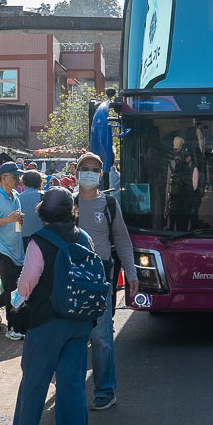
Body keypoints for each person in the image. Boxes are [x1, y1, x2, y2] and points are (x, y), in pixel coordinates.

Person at [6, 188, 98, 425]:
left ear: (42, 211)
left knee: (35, 379)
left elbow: (28, 282)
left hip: (47, 320)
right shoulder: (85, 237)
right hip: (81, 320)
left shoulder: (40, 240)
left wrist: (16, 302)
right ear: (72, 210)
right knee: (72, 383)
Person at [73, 151, 138, 411]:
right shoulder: (68, 203)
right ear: (76, 172)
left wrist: (131, 274)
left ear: (100, 175)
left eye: (94, 170)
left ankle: (105, 390)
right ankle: (73, 390)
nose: (89, 173)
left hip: (100, 281)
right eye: (84, 168)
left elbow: (122, 239)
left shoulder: (109, 204)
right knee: (74, 338)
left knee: (101, 337)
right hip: (71, 280)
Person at [0, 162, 27, 339]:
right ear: (3, 178)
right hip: (2, 249)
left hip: (17, 249)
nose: (18, 179)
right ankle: (12, 328)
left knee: (17, 288)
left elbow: (17, 227)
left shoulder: (16, 196)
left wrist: (18, 221)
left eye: (19, 176)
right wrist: (7, 219)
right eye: (15, 176)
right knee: (11, 288)